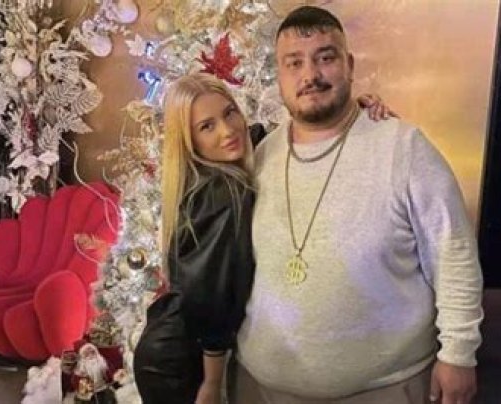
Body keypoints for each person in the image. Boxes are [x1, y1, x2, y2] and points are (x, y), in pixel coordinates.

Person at [231, 6, 484, 404]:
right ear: (279, 76)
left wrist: (459, 354)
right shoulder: (260, 154)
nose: (310, 75)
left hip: (384, 389)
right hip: (261, 387)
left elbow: (454, 254)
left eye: (325, 58)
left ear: (348, 65)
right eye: (294, 63)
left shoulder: (403, 148)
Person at [132, 72, 394, 404]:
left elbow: (275, 135)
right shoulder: (221, 193)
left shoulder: (231, 161)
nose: (228, 130)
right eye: (207, 126)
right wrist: (212, 382)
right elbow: (212, 298)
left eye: (229, 113)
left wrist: (346, 111)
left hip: (176, 343)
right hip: (182, 361)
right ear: (190, 141)